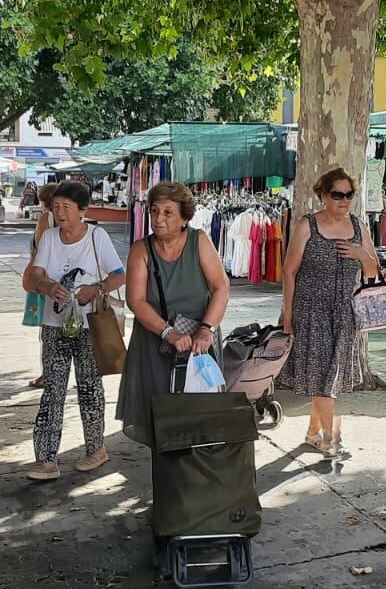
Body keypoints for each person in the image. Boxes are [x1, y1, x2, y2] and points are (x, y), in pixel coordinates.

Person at [22, 181, 126, 479]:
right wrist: (46, 286)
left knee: (89, 387)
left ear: (83, 210)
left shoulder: (97, 236)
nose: (60, 213)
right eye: (56, 207)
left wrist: (96, 288)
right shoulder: (50, 238)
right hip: (54, 325)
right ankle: (45, 460)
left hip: (89, 325)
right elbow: (35, 275)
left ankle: (96, 449)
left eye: (67, 207)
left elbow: (119, 275)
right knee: (52, 389)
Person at [118, 182, 231, 445]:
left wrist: (206, 330)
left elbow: (221, 287)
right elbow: (136, 300)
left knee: (200, 410)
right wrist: (167, 332)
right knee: (160, 416)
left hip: (198, 341)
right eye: (155, 211)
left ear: (184, 217)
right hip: (155, 341)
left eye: (168, 212)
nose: (159, 219)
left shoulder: (199, 240)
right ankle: (169, 471)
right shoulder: (141, 249)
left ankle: (199, 469)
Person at [279, 167, 380, 458]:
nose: (344, 200)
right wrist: (288, 313)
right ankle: (332, 438)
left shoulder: (360, 226)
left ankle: (313, 432)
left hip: (345, 313)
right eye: (338, 194)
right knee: (324, 375)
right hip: (311, 310)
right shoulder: (306, 225)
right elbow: (289, 271)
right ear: (323, 195)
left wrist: (362, 255)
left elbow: (373, 271)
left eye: (349, 195)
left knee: (329, 376)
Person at [28, 184, 59, 389]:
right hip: (64, 279)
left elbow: (41, 252)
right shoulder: (72, 219)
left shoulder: (45, 220)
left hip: (47, 281)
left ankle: (47, 374)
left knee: (47, 330)